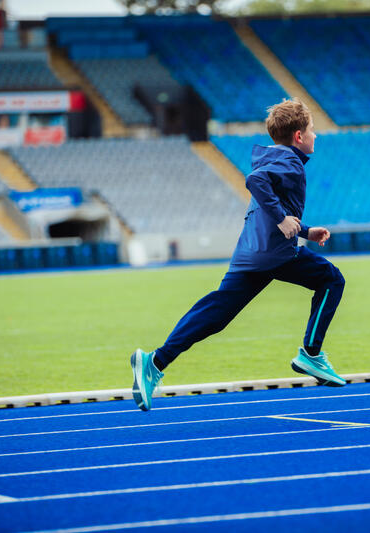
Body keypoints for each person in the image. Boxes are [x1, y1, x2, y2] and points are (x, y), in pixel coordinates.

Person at [130, 98, 346, 411]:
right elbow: (255, 182)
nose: (316, 136)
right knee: (331, 280)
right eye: (312, 130)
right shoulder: (290, 161)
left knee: (215, 312)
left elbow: (271, 204)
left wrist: (304, 231)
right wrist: (285, 221)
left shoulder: (275, 156)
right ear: (298, 136)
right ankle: (311, 354)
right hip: (275, 254)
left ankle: (154, 362)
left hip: (252, 251)